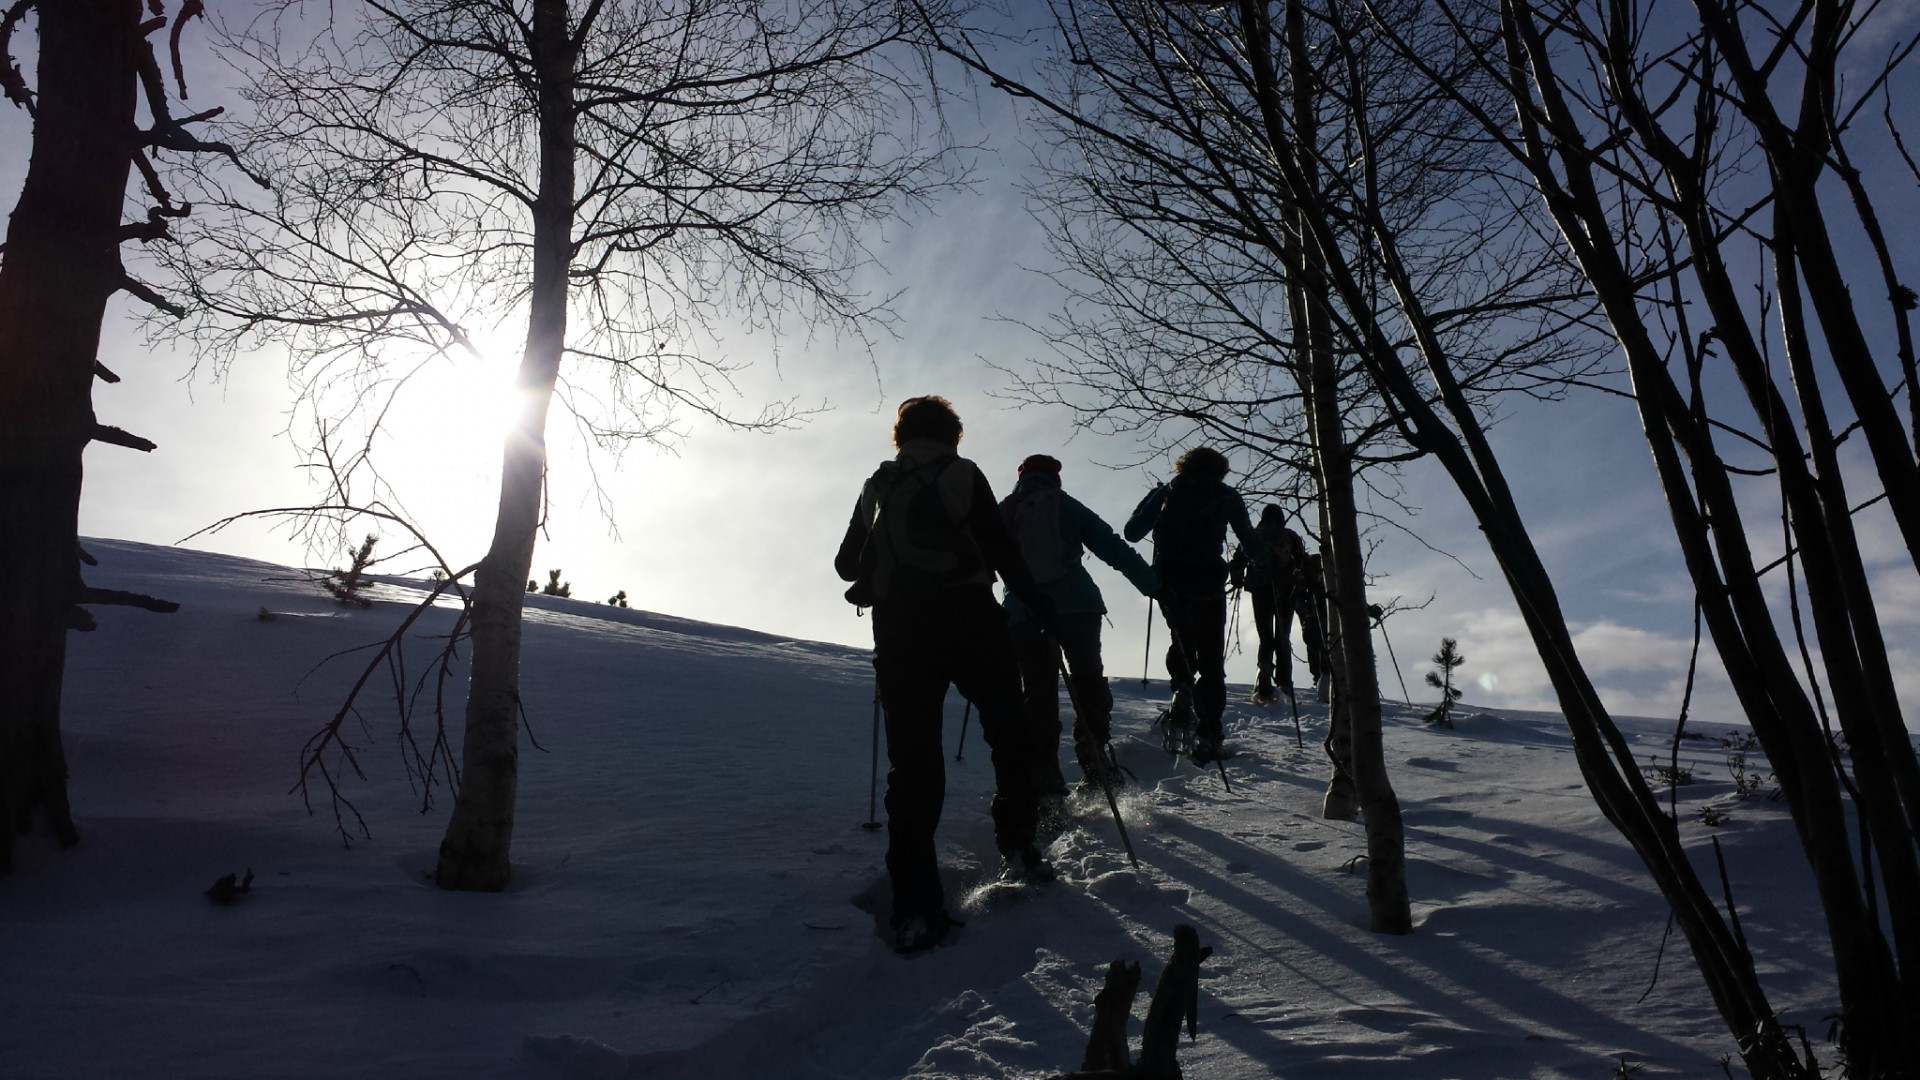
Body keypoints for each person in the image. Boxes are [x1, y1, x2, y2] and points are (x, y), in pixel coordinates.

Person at [833, 396, 1057, 954]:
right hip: (970, 618)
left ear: (901, 436)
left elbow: (845, 565)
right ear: (953, 434)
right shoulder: (963, 474)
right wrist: (1039, 607)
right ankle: (1019, 847)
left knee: (913, 765)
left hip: (901, 630)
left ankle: (915, 906)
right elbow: (1001, 550)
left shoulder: (877, 484)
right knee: (1009, 732)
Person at [998, 454, 1158, 799]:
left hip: (1023, 613)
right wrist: (1153, 585)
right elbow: (1111, 545)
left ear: (1021, 478)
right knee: (1087, 679)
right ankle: (1093, 750)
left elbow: (978, 557)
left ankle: (1045, 779)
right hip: (1078, 606)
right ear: (1054, 479)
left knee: (1038, 693)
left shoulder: (1004, 511)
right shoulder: (1066, 505)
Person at [1123, 447, 1262, 764]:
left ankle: (1182, 688)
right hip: (1209, 580)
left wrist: (1147, 502)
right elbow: (1251, 545)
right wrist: (1256, 563)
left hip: (1170, 579)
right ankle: (1210, 737)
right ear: (1220, 470)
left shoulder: (1167, 490)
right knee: (1211, 658)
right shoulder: (1227, 495)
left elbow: (1132, 532)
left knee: (1182, 639)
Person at [1229, 505, 1307, 704]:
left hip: (1259, 589)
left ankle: (1263, 676)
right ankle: (1284, 682)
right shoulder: (1289, 535)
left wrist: (1237, 578)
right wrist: (1300, 582)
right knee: (1283, 636)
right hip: (1285, 589)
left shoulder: (1253, 536)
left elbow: (1238, 561)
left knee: (1265, 636)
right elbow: (1302, 563)